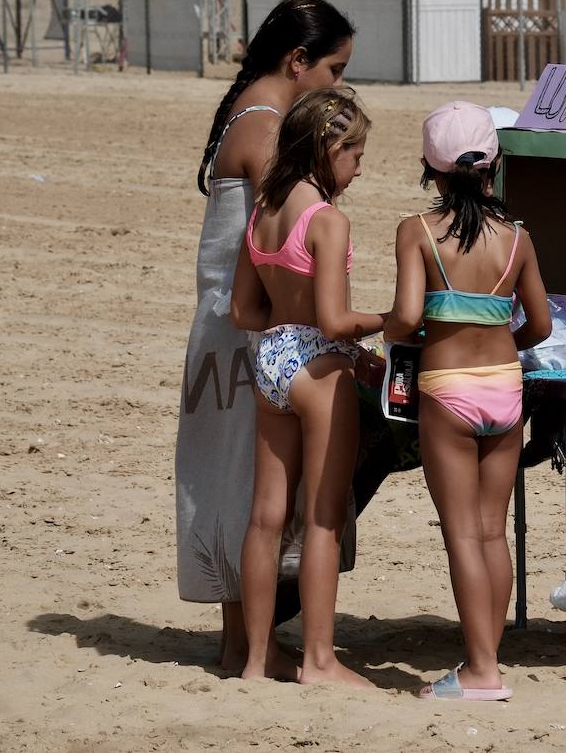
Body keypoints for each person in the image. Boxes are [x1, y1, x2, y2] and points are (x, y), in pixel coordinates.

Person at [174, 0, 355, 675]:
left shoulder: (249, 111)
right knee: (254, 490)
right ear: (298, 60)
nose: (338, 85)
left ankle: (245, 646)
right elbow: (302, 224)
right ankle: (255, 645)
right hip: (250, 333)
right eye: (334, 70)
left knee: (244, 486)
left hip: (239, 326)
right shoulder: (269, 128)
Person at [386, 101, 551, 702]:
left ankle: (482, 670)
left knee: (460, 534)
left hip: (447, 387)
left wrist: (391, 334)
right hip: (505, 387)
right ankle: (487, 659)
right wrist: (502, 340)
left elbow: (406, 315)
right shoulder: (518, 238)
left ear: (430, 170)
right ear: (494, 165)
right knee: (490, 532)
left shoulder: (417, 231)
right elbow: (541, 325)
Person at [230, 87, 383, 687]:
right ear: (328, 149)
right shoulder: (327, 221)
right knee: (322, 518)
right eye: (355, 155)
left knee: (265, 518)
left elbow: (243, 310)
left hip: (270, 361)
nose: (359, 168)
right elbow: (336, 322)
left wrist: (287, 321)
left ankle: (256, 658)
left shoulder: (264, 211)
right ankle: (319, 660)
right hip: (319, 367)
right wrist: (391, 321)